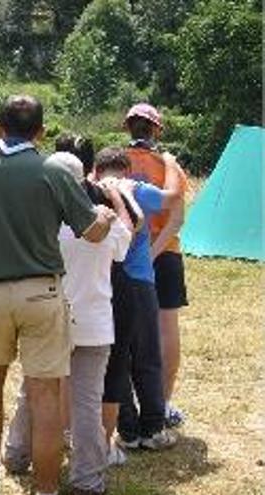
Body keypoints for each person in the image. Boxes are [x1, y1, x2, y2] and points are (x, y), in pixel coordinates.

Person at [0, 95, 115, 495]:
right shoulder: (52, 170)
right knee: (46, 392)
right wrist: (107, 214)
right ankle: (46, 488)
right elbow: (92, 232)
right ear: (41, 132)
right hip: (42, 292)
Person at [3, 152, 134, 495]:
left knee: (32, 388)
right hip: (92, 320)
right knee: (87, 402)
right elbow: (123, 247)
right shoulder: (100, 218)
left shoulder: (35, 218)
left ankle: (17, 454)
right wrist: (117, 200)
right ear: (83, 181)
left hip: (45, 315)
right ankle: (88, 478)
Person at [93, 147, 182, 457]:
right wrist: (170, 163)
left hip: (107, 284)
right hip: (140, 281)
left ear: (96, 169)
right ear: (126, 170)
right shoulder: (136, 190)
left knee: (117, 360)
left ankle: (127, 431)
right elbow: (172, 197)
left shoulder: (91, 191)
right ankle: (153, 428)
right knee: (147, 356)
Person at [123, 103, 190, 428]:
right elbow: (176, 218)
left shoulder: (113, 161)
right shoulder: (168, 165)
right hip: (164, 254)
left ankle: (125, 404)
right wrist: (152, 253)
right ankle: (161, 403)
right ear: (157, 130)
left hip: (123, 256)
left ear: (127, 128)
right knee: (166, 327)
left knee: (123, 330)